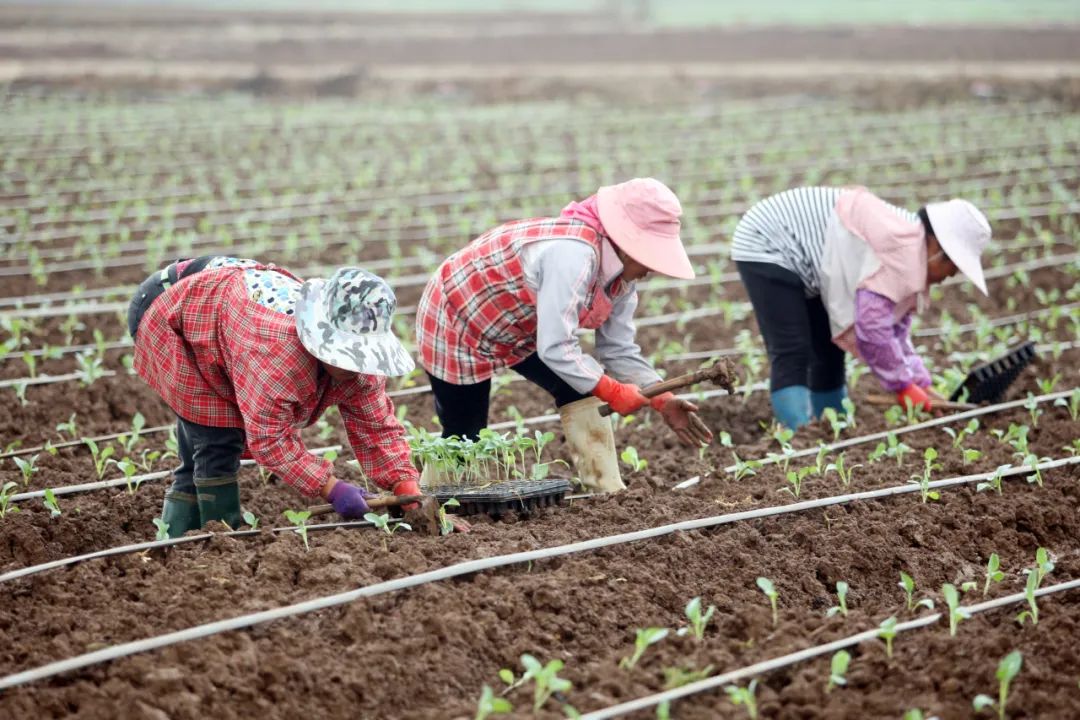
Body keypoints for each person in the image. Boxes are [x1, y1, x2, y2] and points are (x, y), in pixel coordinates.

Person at [414, 177, 713, 492]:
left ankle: (607, 492)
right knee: (465, 434)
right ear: (626, 242)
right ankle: (430, 501)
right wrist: (613, 391)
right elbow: (556, 347)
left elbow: (618, 350)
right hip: (459, 316)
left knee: (582, 387)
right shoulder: (573, 254)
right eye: (651, 253)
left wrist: (661, 397)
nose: (654, 267)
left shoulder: (622, 279)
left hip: (521, 326)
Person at [128, 256, 421, 537]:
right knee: (216, 441)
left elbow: (376, 426)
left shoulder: (360, 369)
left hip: (224, 313)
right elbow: (270, 440)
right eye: (347, 353)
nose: (354, 364)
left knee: (203, 450)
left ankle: (177, 540)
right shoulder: (279, 353)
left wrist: (404, 483)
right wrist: (332, 488)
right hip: (171, 308)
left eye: (362, 354)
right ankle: (217, 543)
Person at [730, 186, 991, 429]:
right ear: (938, 246)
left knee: (828, 348)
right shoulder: (905, 252)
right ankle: (798, 437)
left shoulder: (911, 245)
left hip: (812, 260)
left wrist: (919, 383)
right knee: (792, 350)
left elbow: (895, 331)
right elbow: (873, 327)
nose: (954, 274)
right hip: (769, 240)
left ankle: (833, 427)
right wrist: (901, 386)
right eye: (954, 265)